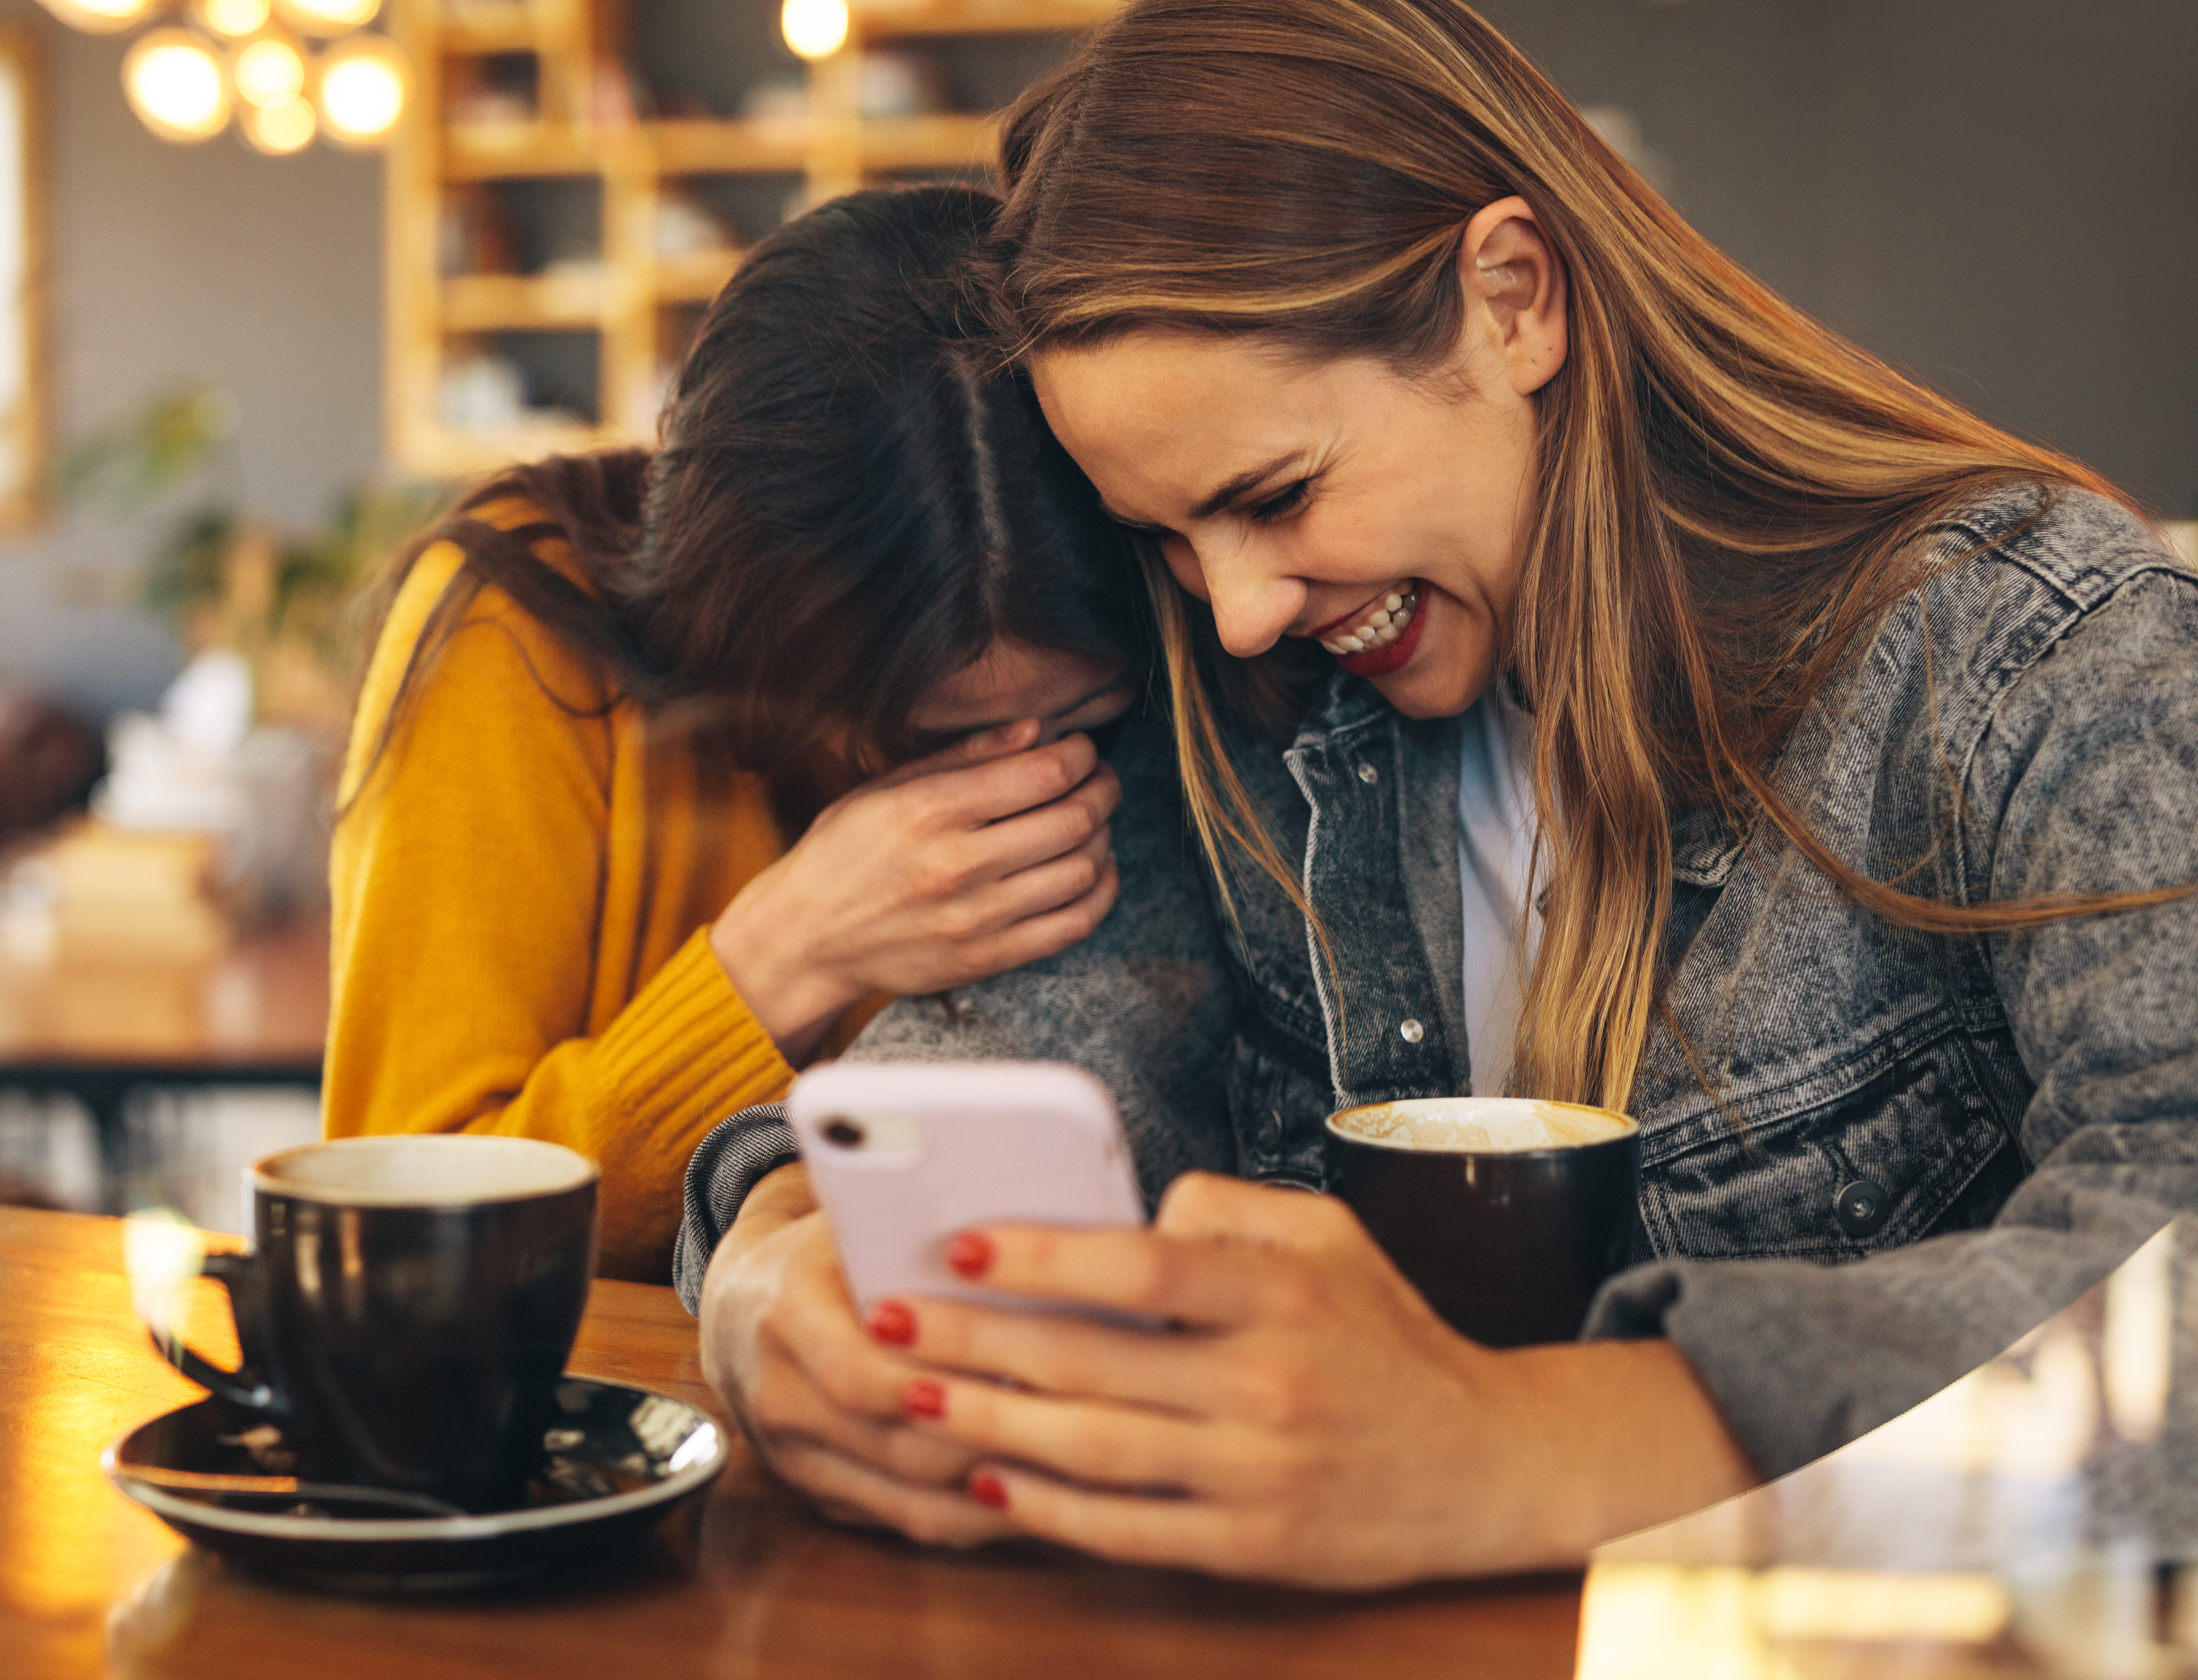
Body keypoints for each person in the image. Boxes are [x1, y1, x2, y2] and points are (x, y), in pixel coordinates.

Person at [679, 0, 2198, 1588]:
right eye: (1171, 543)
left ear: (1511, 300)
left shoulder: (2043, 659)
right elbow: (977, 1085)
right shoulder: (1249, 707)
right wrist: (772, 1268)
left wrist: (1519, 1441)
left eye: (1272, 497)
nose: (1241, 608)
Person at [325, 187, 1147, 1282]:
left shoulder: (1199, 649)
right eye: (926, 735)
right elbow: (393, 1232)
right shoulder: (513, 628)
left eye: (1071, 721)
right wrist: (790, 949)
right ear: (765, 640)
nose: (1014, 773)